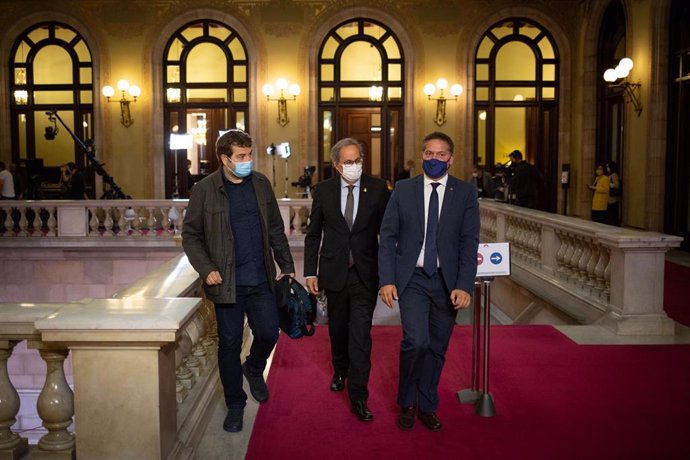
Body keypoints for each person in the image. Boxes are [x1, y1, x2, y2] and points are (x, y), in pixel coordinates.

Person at [182, 129, 295, 433]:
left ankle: (254, 368)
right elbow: (191, 236)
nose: (247, 161)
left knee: (269, 332)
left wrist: (287, 264)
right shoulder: (204, 190)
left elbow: (274, 228)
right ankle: (235, 405)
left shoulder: (260, 184)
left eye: (249, 155)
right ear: (224, 159)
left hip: (260, 279)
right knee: (229, 345)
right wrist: (206, 268)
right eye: (241, 156)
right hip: (226, 284)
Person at [378, 131, 480, 432]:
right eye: (428, 153)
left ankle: (428, 404)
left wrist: (464, 284)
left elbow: (468, 241)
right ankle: (407, 401)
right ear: (422, 155)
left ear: (451, 158)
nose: (434, 159)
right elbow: (388, 237)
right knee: (415, 341)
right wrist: (387, 279)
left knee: (436, 347)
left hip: (447, 283)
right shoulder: (404, 189)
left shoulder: (464, 193)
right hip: (413, 280)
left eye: (440, 155)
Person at [304, 137, 390, 422]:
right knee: (338, 330)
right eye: (348, 162)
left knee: (361, 336)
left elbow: (387, 235)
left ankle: (358, 397)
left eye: (358, 160)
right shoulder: (324, 190)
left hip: (365, 274)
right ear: (337, 164)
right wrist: (310, 271)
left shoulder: (377, 188)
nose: (354, 165)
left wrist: (389, 276)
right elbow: (314, 234)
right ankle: (340, 369)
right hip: (334, 272)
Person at [606, 161, 621, 226]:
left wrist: (608, 184)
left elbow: (617, 185)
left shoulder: (614, 175)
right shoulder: (610, 175)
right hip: (609, 198)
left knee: (613, 213)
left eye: (608, 167)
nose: (607, 168)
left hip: (613, 198)